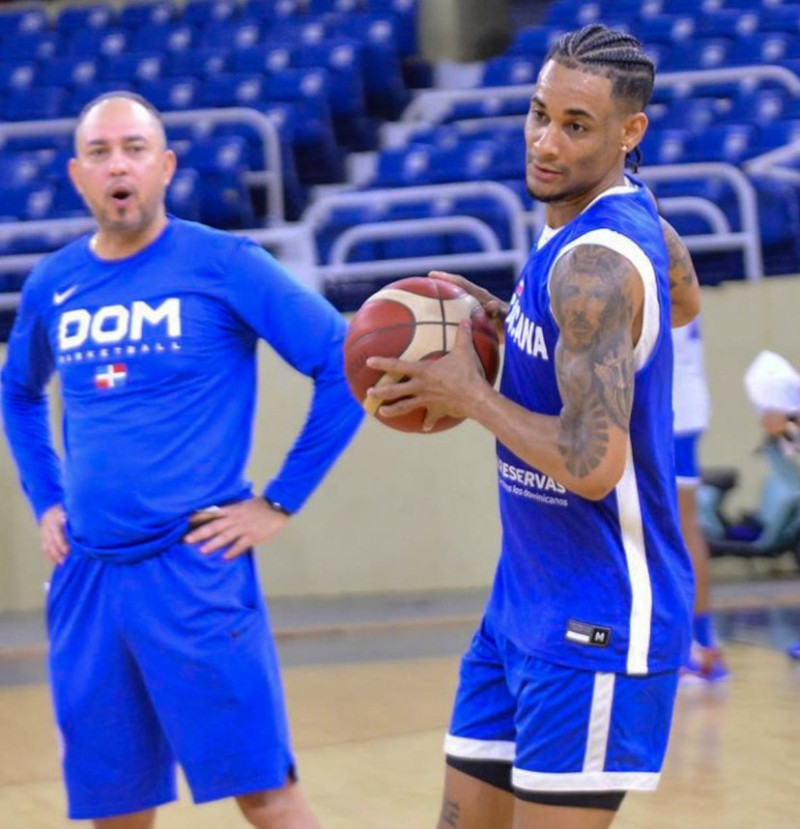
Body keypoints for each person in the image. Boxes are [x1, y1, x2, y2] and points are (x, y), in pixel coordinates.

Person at [0, 92, 363, 828]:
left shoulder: (225, 263)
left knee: (265, 793)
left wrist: (278, 500)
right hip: (88, 580)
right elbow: (19, 394)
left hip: (193, 572)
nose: (118, 165)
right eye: (100, 153)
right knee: (118, 807)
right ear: (77, 175)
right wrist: (48, 498)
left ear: (165, 166)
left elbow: (342, 363)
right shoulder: (54, 284)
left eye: (134, 148)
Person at [367, 24, 699, 829]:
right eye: (538, 113)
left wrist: (469, 392)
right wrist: (523, 320)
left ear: (630, 132)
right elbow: (681, 299)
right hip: (521, 603)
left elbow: (592, 463)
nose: (546, 142)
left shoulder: (597, 262)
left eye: (576, 126)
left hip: (597, 618)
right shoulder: (605, 217)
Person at [671, 316, 730, 683]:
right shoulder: (670, 264)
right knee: (679, 526)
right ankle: (698, 643)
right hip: (680, 403)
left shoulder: (652, 263)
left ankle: (702, 646)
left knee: (683, 525)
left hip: (674, 408)